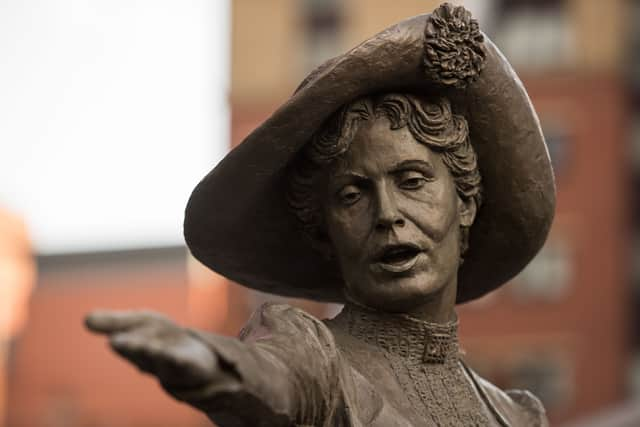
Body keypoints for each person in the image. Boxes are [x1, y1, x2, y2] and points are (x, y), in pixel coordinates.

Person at [86, 4, 555, 426]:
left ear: (466, 203)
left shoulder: (514, 414)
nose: (388, 214)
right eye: (352, 195)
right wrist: (214, 364)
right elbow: (273, 375)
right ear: (325, 231)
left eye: (412, 182)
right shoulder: (315, 357)